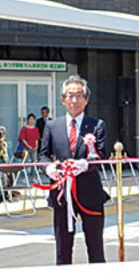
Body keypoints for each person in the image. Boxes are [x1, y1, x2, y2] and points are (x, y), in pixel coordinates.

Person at [38, 75, 109, 264]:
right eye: (70, 96)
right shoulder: (52, 126)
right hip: (62, 193)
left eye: (79, 96)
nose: (74, 100)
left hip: (90, 192)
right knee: (63, 247)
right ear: (63, 99)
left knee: (95, 247)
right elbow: (43, 155)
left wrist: (85, 165)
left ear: (86, 99)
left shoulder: (97, 125)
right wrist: (49, 168)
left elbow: (102, 156)